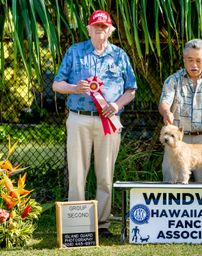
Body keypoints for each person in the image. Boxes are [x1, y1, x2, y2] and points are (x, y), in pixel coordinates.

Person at [52, 10, 137, 238]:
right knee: (77, 174)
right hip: (78, 118)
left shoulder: (120, 56)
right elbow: (56, 84)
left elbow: (131, 90)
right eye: (96, 27)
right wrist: (73, 88)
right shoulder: (75, 52)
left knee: (105, 175)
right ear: (89, 29)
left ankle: (102, 225)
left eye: (104, 27)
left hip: (109, 121)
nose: (100, 30)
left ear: (110, 30)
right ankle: (76, 226)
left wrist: (117, 106)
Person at [159, 38, 202, 182]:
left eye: (198, 60)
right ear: (184, 59)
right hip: (176, 140)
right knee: (171, 181)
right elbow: (164, 102)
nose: (194, 65)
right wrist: (166, 112)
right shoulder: (172, 81)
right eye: (190, 60)